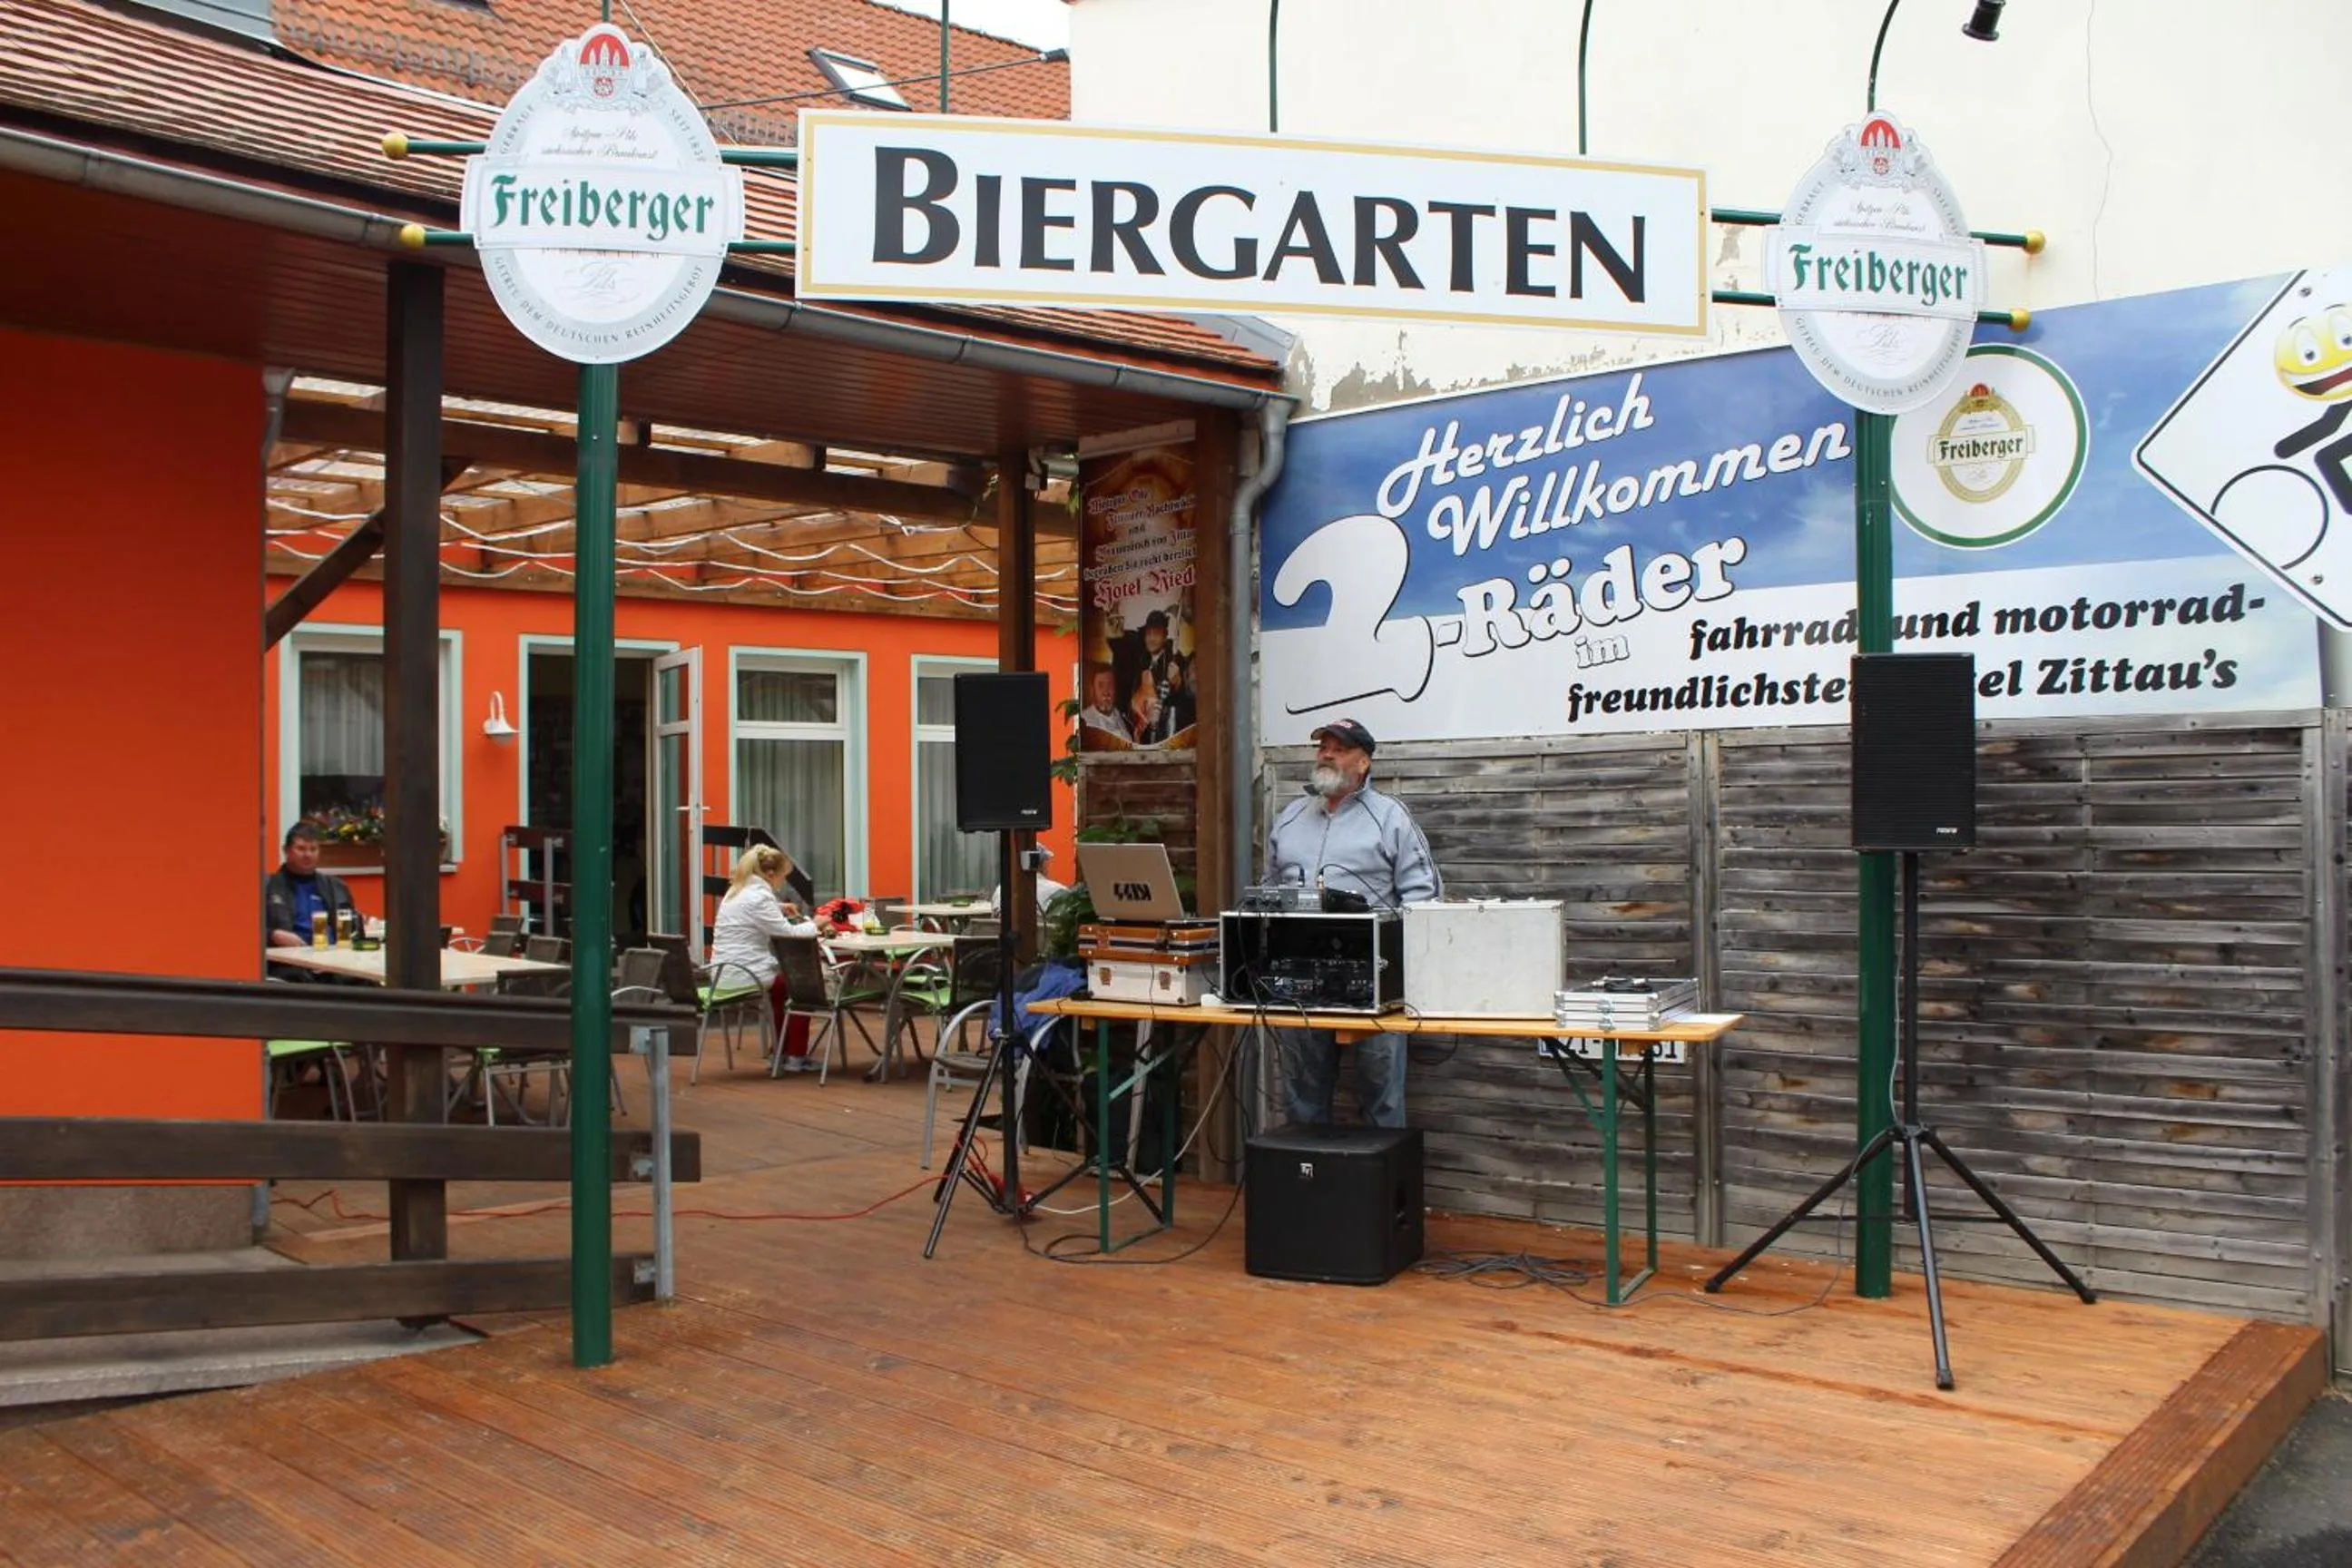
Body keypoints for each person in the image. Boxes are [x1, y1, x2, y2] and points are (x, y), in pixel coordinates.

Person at [1263, 718, 1441, 1129]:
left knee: (1382, 1099)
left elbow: (1424, 896)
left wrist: (1405, 970)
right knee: (1302, 1098)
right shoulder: (1290, 816)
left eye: (1338, 748)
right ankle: (1308, 1182)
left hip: (1375, 982)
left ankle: (1380, 1186)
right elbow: (1268, 892)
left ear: (1363, 762)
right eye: (1322, 747)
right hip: (1300, 980)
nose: (1326, 754)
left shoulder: (1391, 817)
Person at [709, 844, 822, 1072]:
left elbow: (750, 912)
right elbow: (789, 933)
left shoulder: (737, 891)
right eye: (782, 876)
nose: (783, 882)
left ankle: (780, 1051)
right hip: (746, 973)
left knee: (780, 988)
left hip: (723, 972)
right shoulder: (760, 897)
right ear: (770, 874)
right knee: (802, 986)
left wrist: (778, 908)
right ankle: (796, 1056)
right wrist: (815, 924)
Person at [265, 820, 359, 956]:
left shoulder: (337, 886)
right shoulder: (268, 886)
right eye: (301, 848)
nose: (308, 854)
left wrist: (357, 922)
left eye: (313, 849)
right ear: (286, 851)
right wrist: (272, 934)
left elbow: (352, 929)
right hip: (290, 960)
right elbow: (248, 931)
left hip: (333, 957)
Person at [1077, 664, 1132, 743]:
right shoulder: (1085, 720)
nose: (1106, 692)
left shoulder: (1124, 717)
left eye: (1110, 685)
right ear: (1092, 690)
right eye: (1101, 686)